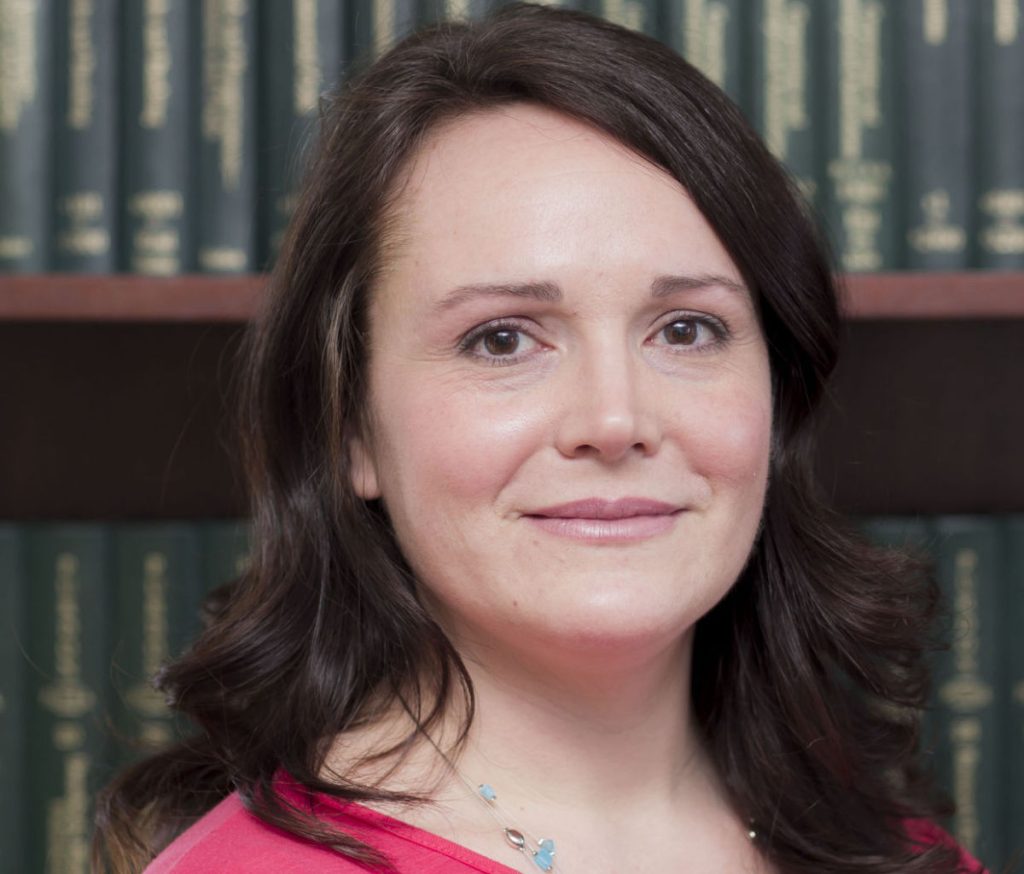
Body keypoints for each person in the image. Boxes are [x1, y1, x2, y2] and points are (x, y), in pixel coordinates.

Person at [93, 4, 988, 873]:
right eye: (501, 339)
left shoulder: (907, 857)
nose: (614, 421)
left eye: (685, 329)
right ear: (350, 428)